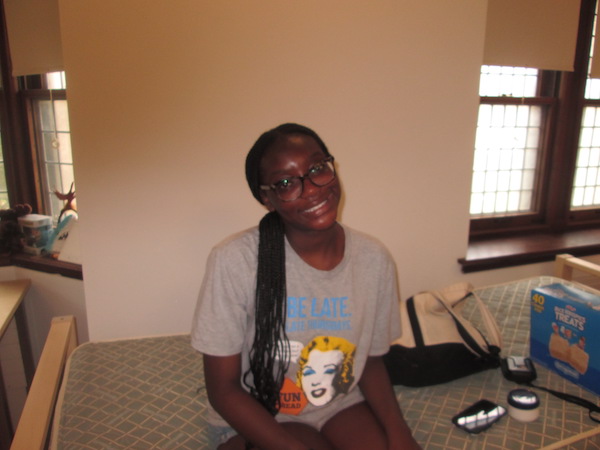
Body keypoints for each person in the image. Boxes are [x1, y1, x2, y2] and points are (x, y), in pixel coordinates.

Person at [191, 123, 419, 449]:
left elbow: (369, 359)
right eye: (286, 183)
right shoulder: (234, 261)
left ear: (332, 168)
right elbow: (223, 390)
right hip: (260, 410)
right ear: (267, 198)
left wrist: (401, 434)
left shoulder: (374, 258)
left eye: (317, 168)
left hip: (340, 403)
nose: (311, 188)